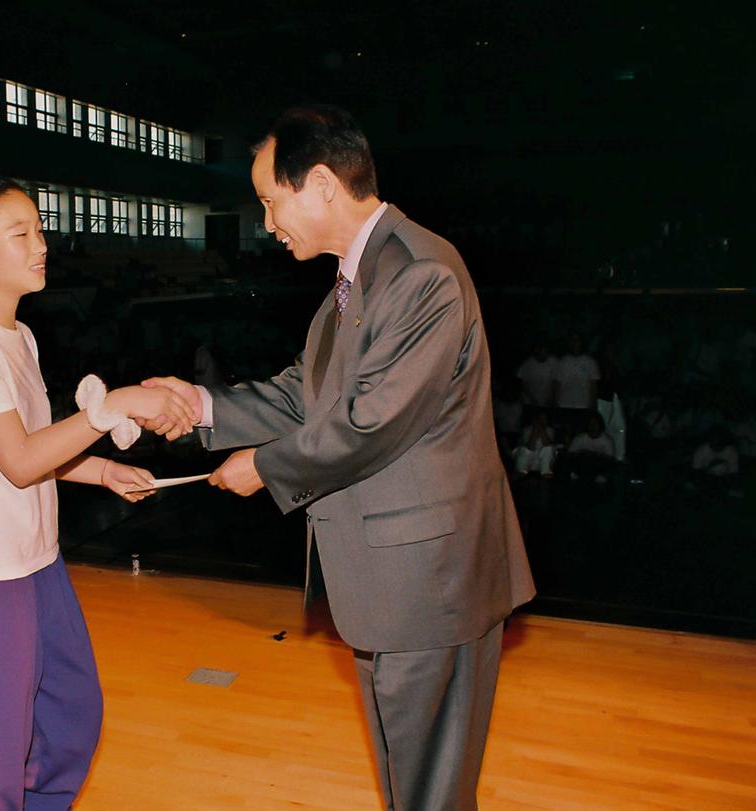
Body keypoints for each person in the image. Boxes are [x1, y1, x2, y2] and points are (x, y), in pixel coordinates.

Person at [143, 105, 534, 810]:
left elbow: (370, 424)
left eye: (270, 200)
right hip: (389, 586)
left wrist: (262, 466)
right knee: (410, 785)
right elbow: (300, 397)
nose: (266, 222)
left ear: (321, 183)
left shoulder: (419, 274)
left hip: (429, 586)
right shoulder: (349, 290)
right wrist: (199, 406)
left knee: (431, 792)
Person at [0, 176, 194, 811]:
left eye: (39, 229)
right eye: (22, 234)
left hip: (37, 563)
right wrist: (115, 405)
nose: (41, 245)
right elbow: (18, 462)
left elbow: (30, 443)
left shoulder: (19, 336)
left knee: (73, 713)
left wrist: (99, 471)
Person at [513, 411, 557, 479]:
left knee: (549, 448)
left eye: (544, 419)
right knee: (523, 449)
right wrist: (536, 429)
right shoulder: (527, 430)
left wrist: (541, 429)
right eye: (540, 419)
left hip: (543, 460)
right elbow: (529, 447)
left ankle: (546, 472)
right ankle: (521, 472)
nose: (542, 421)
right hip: (529, 459)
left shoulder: (550, 430)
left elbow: (547, 444)